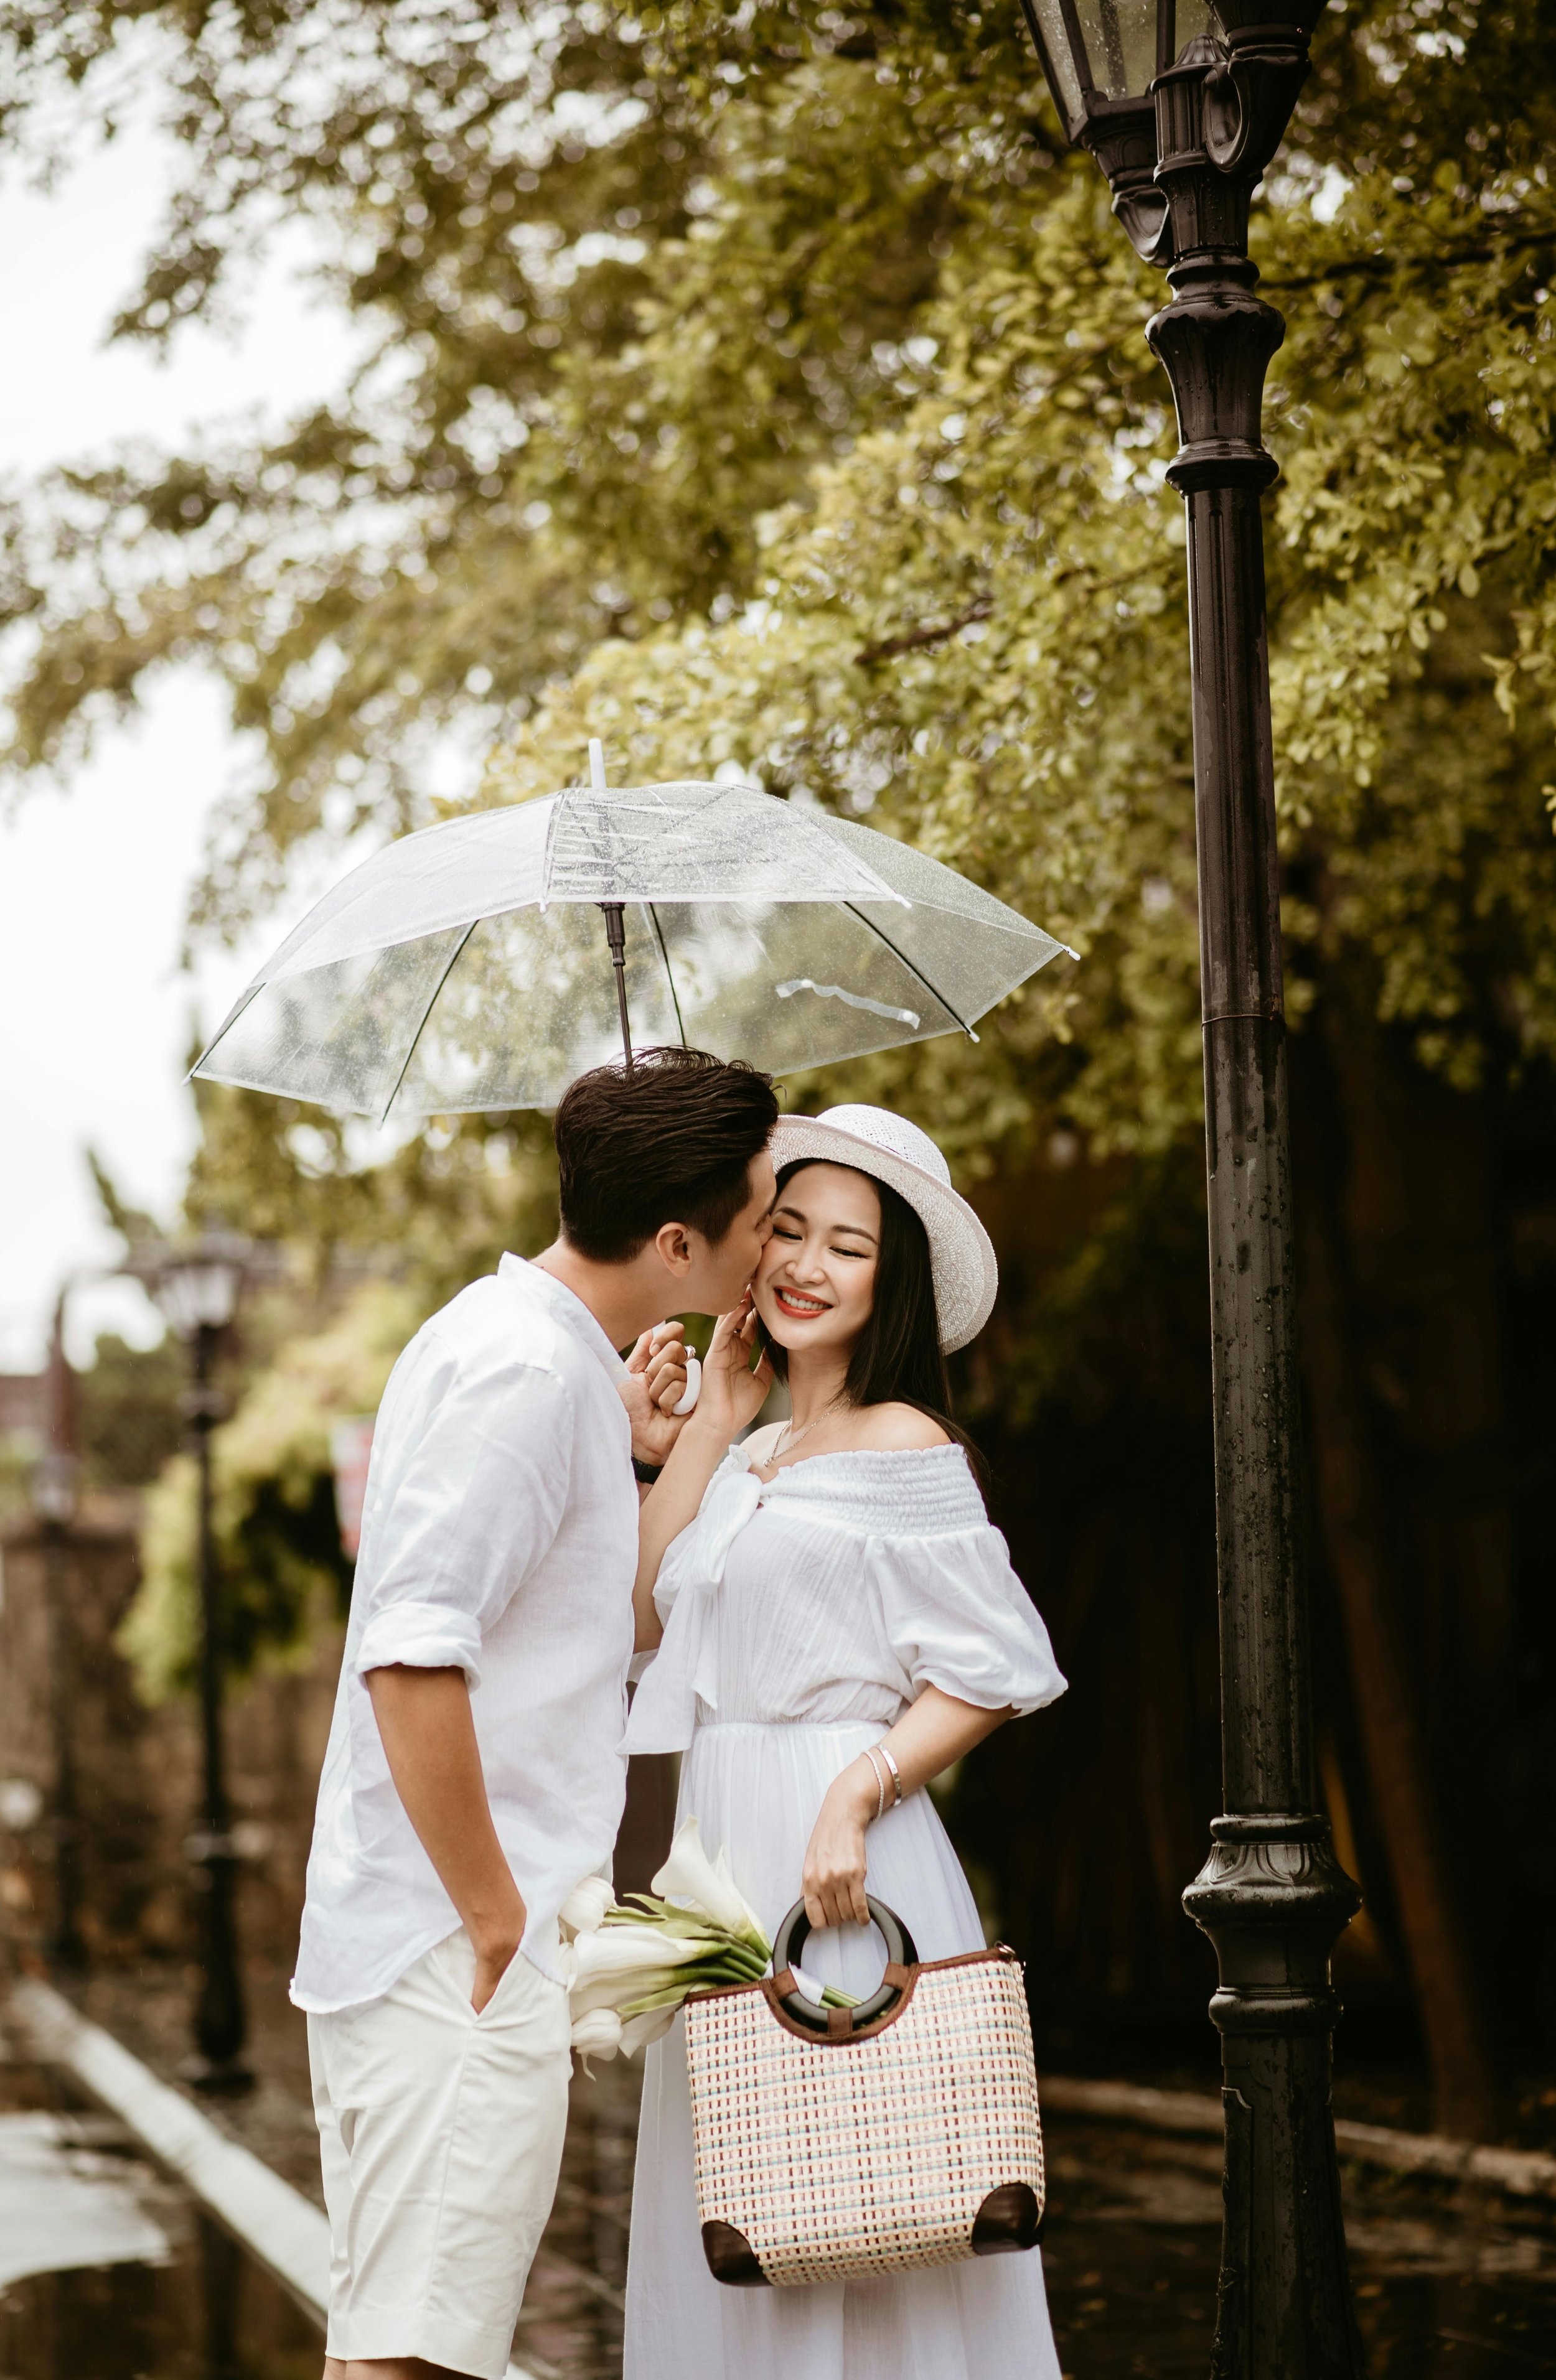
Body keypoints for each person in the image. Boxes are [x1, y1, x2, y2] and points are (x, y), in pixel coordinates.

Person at [291, 1047, 779, 2380]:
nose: (768, 1244)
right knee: (413, 2365)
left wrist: (664, 1436)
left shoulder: (532, 1352)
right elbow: (408, 1654)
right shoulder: (525, 1372)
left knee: (406, 2349)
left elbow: (589, 1623)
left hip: (451, 1944)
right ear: (679, 1240)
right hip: (457, 1948)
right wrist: (501, 1919)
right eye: (760, 1214)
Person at [622, 1103, 1067, 2380]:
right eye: (787, 1229)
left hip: (844, 1860)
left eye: (848, 1245)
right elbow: (641, 1621)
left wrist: (851, 1796)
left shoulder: (907, 1446)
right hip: (715, 1869)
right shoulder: (749, 1446)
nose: (806, 1264)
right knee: (740, 2211)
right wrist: (701, 1427)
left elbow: (986, 1670)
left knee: (873, 2198)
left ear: (894, 1281)